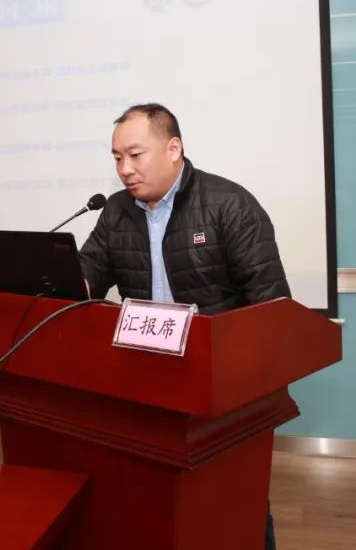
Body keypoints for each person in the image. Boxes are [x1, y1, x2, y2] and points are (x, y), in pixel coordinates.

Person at [79, 102, 289, 550]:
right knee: (155, 500)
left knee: (235, 499)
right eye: (117, 158)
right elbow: (87, 276)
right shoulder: (116, 212)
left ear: (173, 149)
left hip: (220, 385)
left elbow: (272, 309)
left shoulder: (229, 205)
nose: (124, 169)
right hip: (145, 381)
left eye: (135, 155)